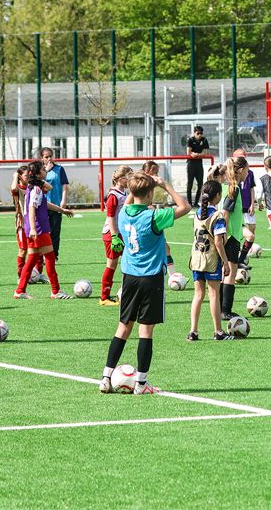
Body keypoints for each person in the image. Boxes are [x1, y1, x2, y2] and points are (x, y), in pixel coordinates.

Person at [99, 171, 190, 394]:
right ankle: (141, 384)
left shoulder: (123, 215)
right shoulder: (154, 217)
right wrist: (165, 184)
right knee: (145, 331)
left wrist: (136, 185)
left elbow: (131, 199)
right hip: (151, 279)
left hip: (129, 277)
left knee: (123, 328)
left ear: (131, 192)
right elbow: (185, 207)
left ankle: (105, 376)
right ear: (150, 193)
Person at [14, 160, 74, 300]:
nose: (46, 170)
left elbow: (44, 203)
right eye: (43, 169)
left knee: (32, 259)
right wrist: (34, 229)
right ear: (37, 173)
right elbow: (32, 208)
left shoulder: (34, 187)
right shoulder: (36, 188)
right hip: (39, 229)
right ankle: (55, 291)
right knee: (50, 259)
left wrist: (61, 210)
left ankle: (20, 290)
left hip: (34, 228)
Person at [187, 180, 233, 341]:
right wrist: (226, 262)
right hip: (211, 259)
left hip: (196, 259)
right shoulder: (217, 216)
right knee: (214, 295)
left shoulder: (197, 213)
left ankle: (193, 331)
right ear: (218, 196)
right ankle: (218, 331)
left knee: (198, 295)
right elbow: (219, 242)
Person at [213, 157, 249, 321]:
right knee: (230, 271)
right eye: (247, 169)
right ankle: (225, 310)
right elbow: (226, 213)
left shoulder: (226, 186)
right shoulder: (233, 188)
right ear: (241, 170)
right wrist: (224, 234)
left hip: (230, 233)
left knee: (225, 271)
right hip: (230, 235)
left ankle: (220, 308)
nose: (248, 173)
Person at [100, 166, 133, 306]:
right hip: (112, 234)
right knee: (111, 265)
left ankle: (125, 292)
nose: (131, 180)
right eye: (129, 177)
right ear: (120, 179)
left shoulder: (124, 192)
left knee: (129, 263)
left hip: (122, 233)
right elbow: (111, 217)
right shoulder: (113, 195)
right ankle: (104, 297)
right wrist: (114, 236)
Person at [142, 160, 178, 276]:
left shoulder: (147, 187)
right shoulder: (140, 186)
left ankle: (173, 276)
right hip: (144, 223)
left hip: (150, 219)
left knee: (166, 247)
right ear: (147, 172)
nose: (157, 176)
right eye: (155, 173)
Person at [39, 147, 69, 259]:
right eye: (46, 157)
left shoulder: (59, 169)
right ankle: (42, 255)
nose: (49, 158)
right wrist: (46, 170)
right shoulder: (40, 171)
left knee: (55, 232)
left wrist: (63, 200)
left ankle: (54, 255)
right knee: (44, 232)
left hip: (56, 205)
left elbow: (65, 185)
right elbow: (39, 183)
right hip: (43, 206)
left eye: (51, 156)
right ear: (42, 158)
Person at [236, 151, 258, 270]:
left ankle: (240, 260)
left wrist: (252, 204)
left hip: (244, 210)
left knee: (251, 232)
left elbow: (251, 189)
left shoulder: (250, 174)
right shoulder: (231, 185)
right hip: (233, 218)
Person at [185, 126, 210, 207]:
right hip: (191, 164)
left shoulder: (204, 140)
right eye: (198, 133)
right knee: (190, 184)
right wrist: (193, 154)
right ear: (194, 133)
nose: (199, 135)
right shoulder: (191, 140)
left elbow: (205, 153)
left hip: (199, 164)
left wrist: (197, 154)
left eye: (201, 133)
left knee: (200, 184)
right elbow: (188, 152)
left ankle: (196, 203)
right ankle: (189, 203)